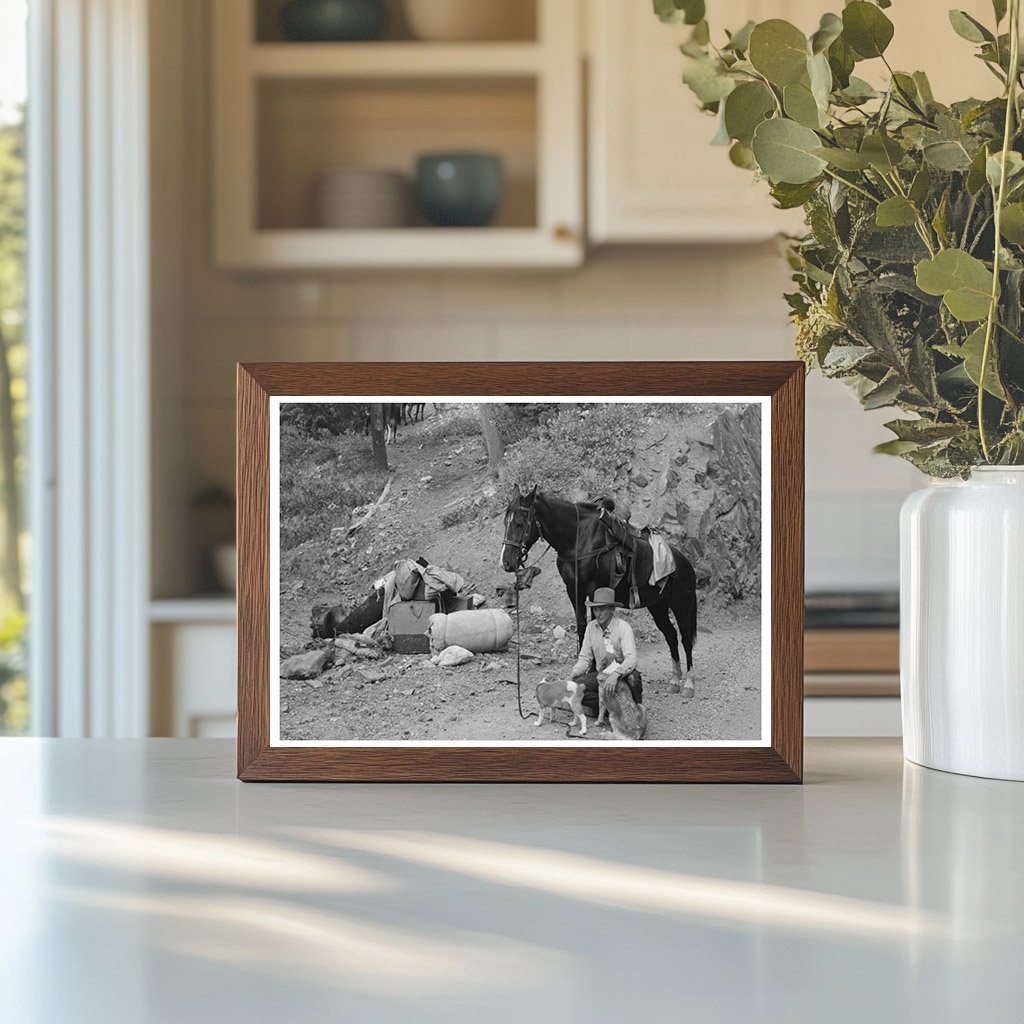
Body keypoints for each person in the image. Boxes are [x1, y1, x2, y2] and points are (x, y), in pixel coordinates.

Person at [570, 587, 643, 723]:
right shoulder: (591, 628)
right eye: (595, 610)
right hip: (602, 674)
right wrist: (574, 673)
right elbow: (585, 658)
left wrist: (616, 675)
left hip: (623, 674)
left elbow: (631, 658)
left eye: (602, 609)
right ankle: (608, 709)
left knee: (634, 679)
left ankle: (635, 714)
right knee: (576, 685)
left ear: (612, 609)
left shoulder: (623, 627)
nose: (598, 614)